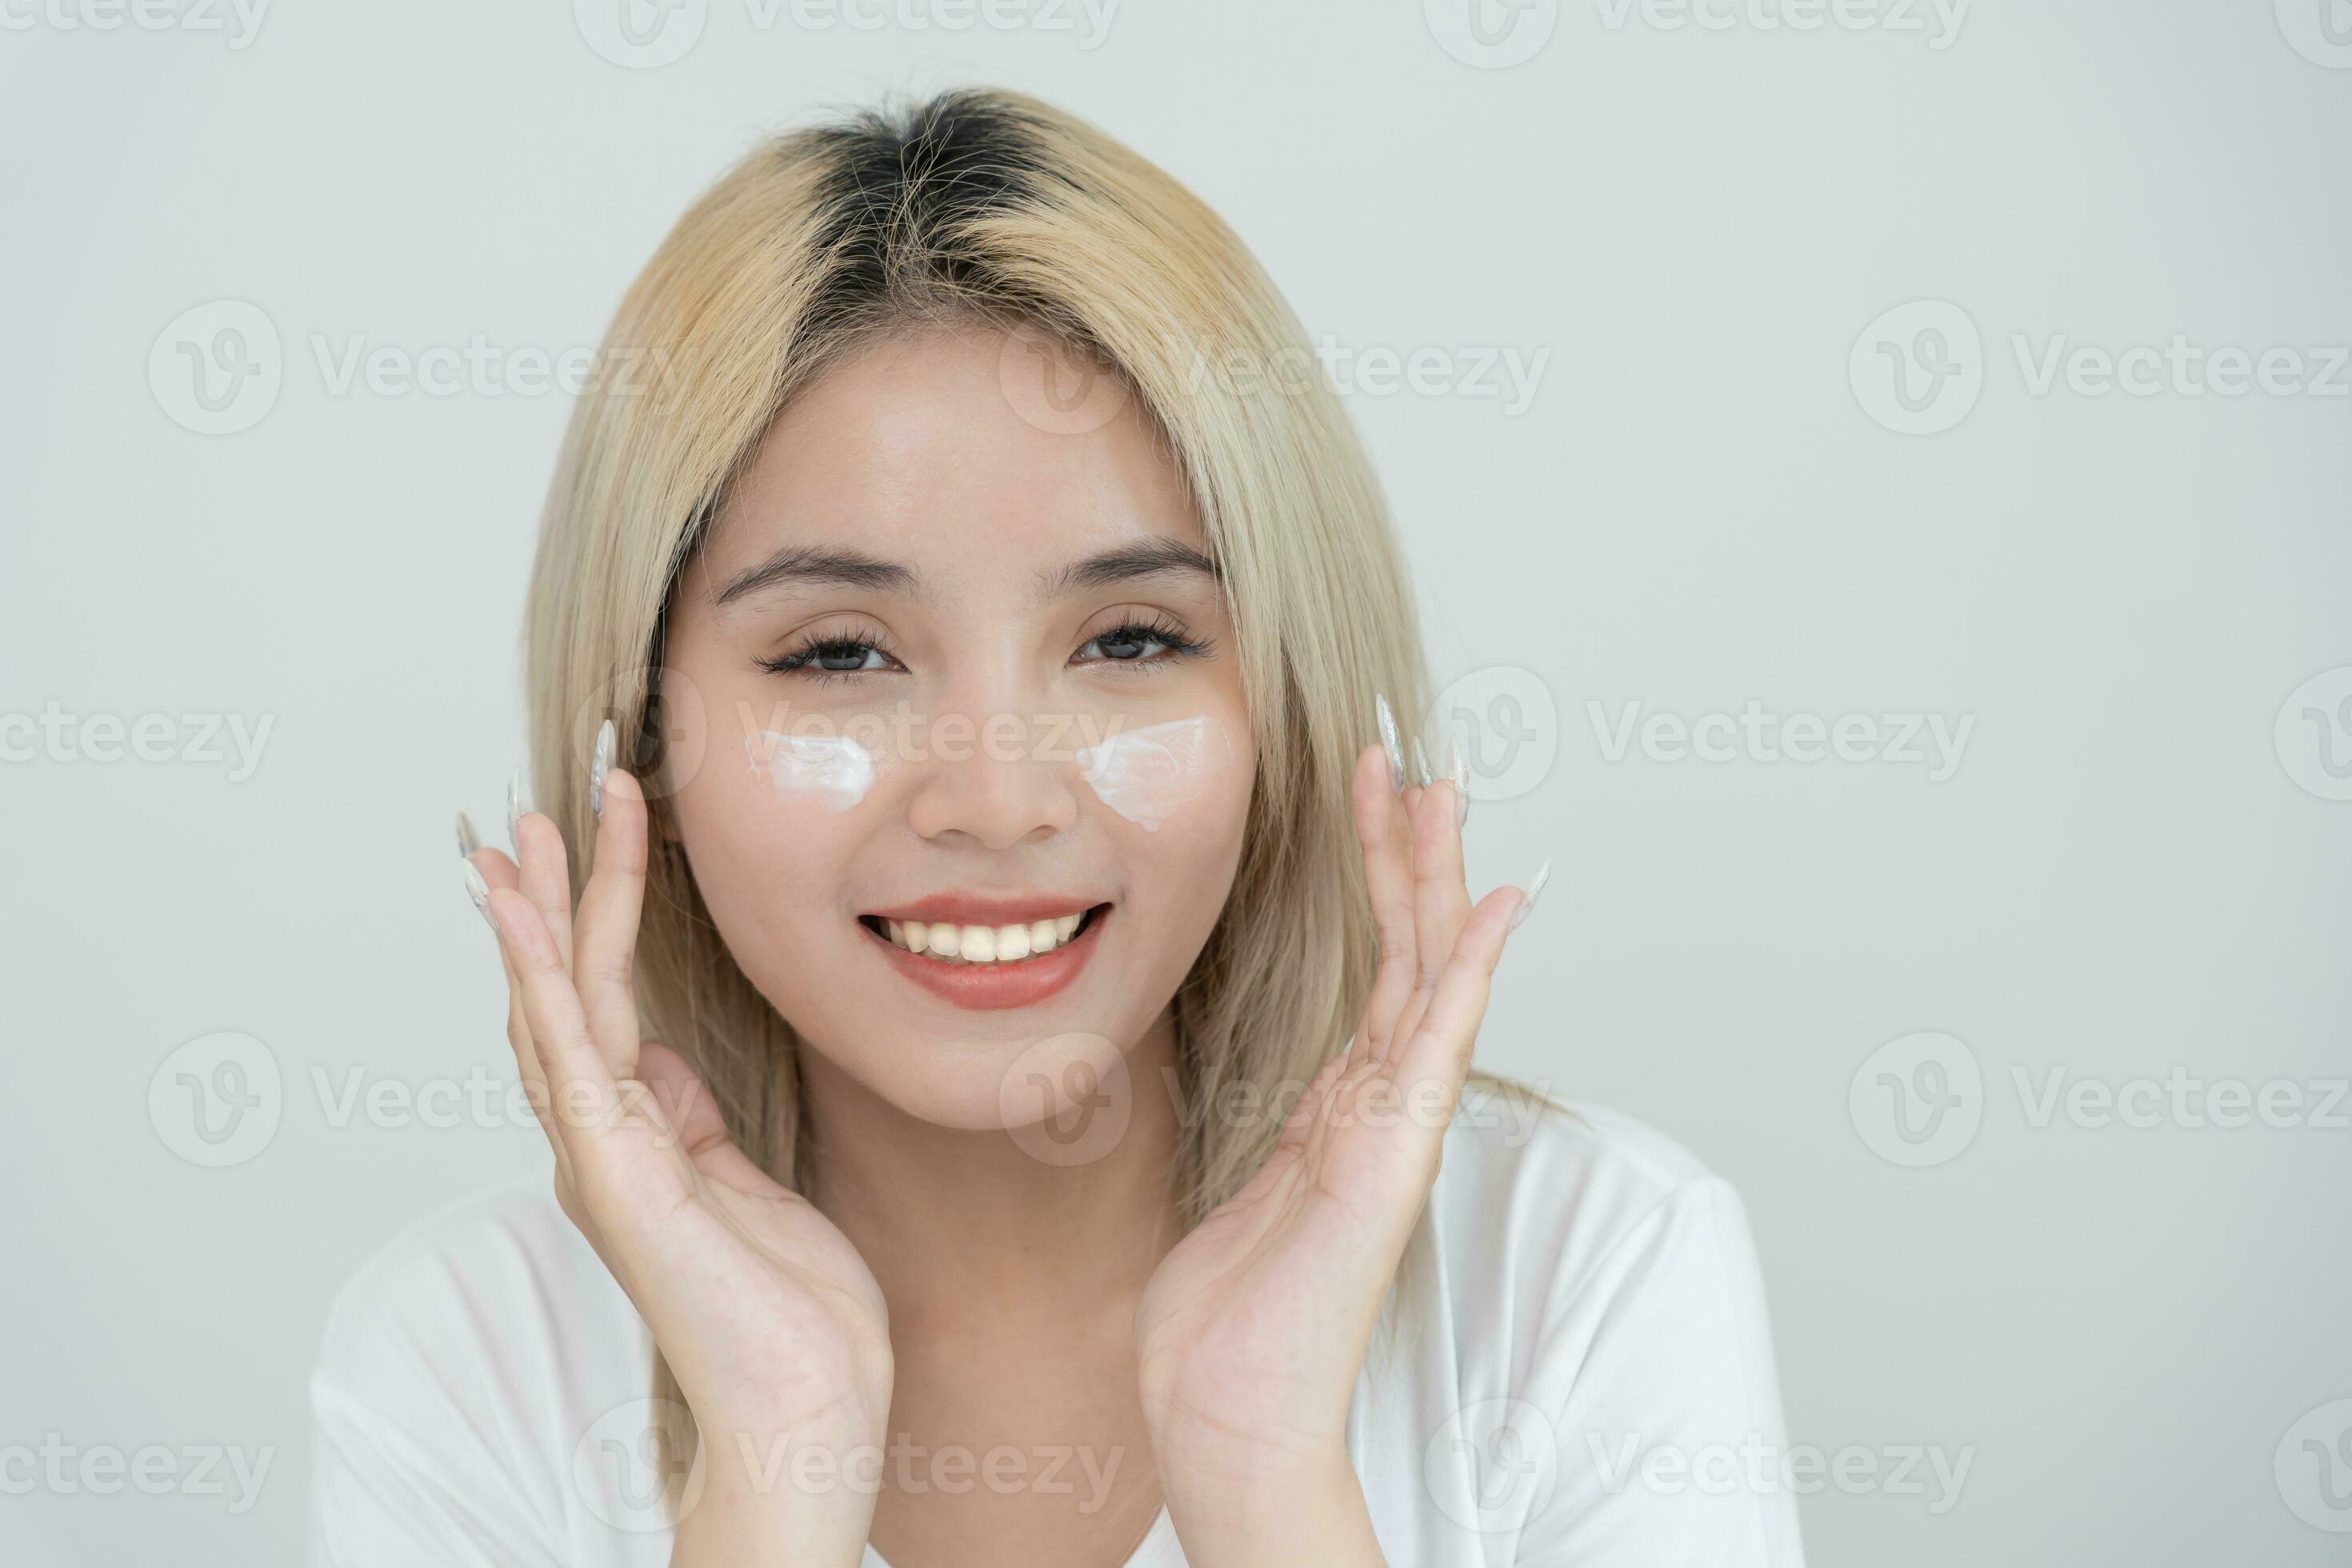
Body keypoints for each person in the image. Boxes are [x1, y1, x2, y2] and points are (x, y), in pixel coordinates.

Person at [303, 86, 1804, 1567]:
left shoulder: (1590, 1269)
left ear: (1283, 709)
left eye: (1131, 639)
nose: (998, 802)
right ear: (644, 747)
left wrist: (1264, 1478)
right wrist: (773, 1460)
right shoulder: (464, 1371)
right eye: (841, 655)